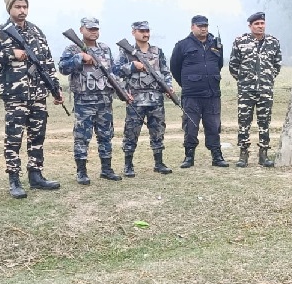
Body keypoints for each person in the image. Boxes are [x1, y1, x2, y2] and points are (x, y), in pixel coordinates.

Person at [0, 0, 63, 198]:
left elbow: (47, 62)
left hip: (38, 94)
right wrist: (10, 54)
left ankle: (36, 175)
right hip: (14, 95)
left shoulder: (37, 32)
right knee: (14, 138)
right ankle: (14, 179)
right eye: (17, 6)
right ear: (9, 9)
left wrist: (55, 88)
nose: (22, 10)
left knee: (37, 136)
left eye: (25, 6)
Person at [58, 17, 122, 184]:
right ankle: (81, 172)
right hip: (84, 101)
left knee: (106, 136)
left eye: (96, 29)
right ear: (81, 30)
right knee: (82, 137)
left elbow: (112, 71)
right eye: (90, 29)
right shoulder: (73, 48)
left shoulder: (105, 49)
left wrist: (122, 90)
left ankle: (106, 169)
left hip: (104, 100)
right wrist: (79, 58)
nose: (94, 32)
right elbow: (62, 68)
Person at [116, 20, 174, 177]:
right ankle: (128, 165)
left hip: (156, 99)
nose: (145, 34)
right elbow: (116, 71)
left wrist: (169, 87)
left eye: (147, 31)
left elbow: (165, 72)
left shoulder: (157, 51)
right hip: (135, 98)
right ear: (133, 32)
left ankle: (159, 163)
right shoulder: (126, 52)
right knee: (131, 132)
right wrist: (132, 66)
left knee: (158, 131)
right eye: (141, 31)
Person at [170, 15, 229, 168]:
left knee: (213, 126)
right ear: (192, 27)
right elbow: (175, 68)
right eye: (200, 26)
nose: (203, 29)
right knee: (190, 127)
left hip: (212, 94)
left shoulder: (216, 44)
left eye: (205, 26)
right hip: (192, 95)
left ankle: (217, 156)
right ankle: (189, 157)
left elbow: (219, 64)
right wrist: (187, 83)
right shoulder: (182, 45)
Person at [228, 11, 282, 168]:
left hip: (265, 90)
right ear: (250, 26)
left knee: (264, 122)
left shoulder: (273, 42)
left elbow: (277, 65)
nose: (260, 26)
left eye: (262, 23)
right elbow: (233, 65)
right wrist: (244, 80)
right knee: (244, 122)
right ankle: (243, 154)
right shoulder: (241, 41)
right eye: (257, 24)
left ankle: (263, 154)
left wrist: (267, 79)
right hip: (246, 90)